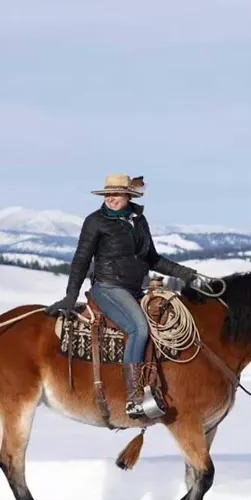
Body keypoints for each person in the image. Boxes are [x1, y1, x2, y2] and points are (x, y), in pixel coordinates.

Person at [45, 173, 214, 419]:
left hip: (135, 290)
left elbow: (152, 258)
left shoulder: (138, 221)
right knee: (139, 328)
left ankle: (160, 384)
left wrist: (188, 274)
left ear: (128, 196)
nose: (111, 199)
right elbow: (81, 260)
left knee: (164, 323)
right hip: (109, 288)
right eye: (107, 195)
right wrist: (71, 296)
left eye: (116, 194)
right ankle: (134, 398)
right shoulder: (95, 222)